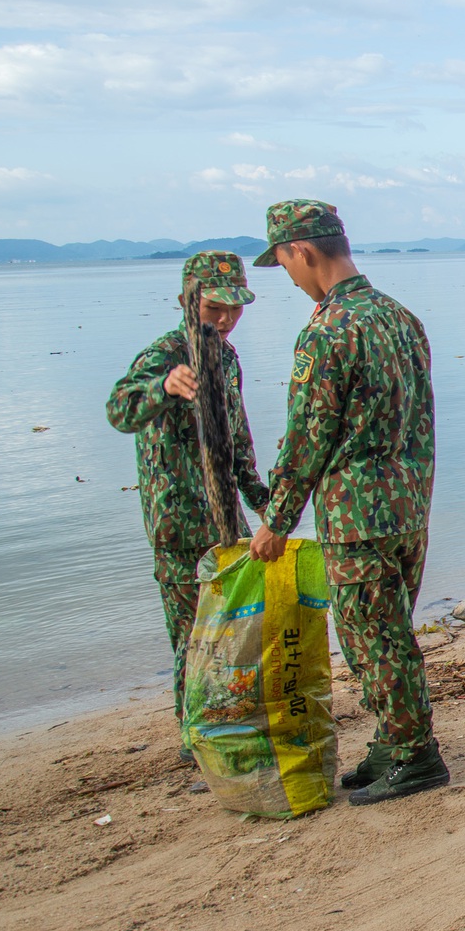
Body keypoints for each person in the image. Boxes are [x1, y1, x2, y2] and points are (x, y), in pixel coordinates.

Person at [246, 200, 442, 805]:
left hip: (358, 514)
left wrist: (276, 521)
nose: (290, 279)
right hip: (408, 506)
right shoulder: (400, 317)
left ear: (301, 251)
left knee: (370, 638)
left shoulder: (329, 330)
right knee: (388, 631)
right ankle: (392, 742)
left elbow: (308, 433)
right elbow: (421, 417)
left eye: (284, 265)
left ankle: (415, 756)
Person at [106, 252, 271, 750]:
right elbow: (120, 409)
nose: (224, 320)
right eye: (214, 308)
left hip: (226, 521)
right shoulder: (163, 353)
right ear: (187, 301)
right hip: (176, 524)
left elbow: (236, 436)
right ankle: (196, 737)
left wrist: (263, 498)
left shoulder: (227, 356)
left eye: (235, 309)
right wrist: (163, 386)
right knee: (192, 639)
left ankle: (234, 723)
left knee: (237, 631)